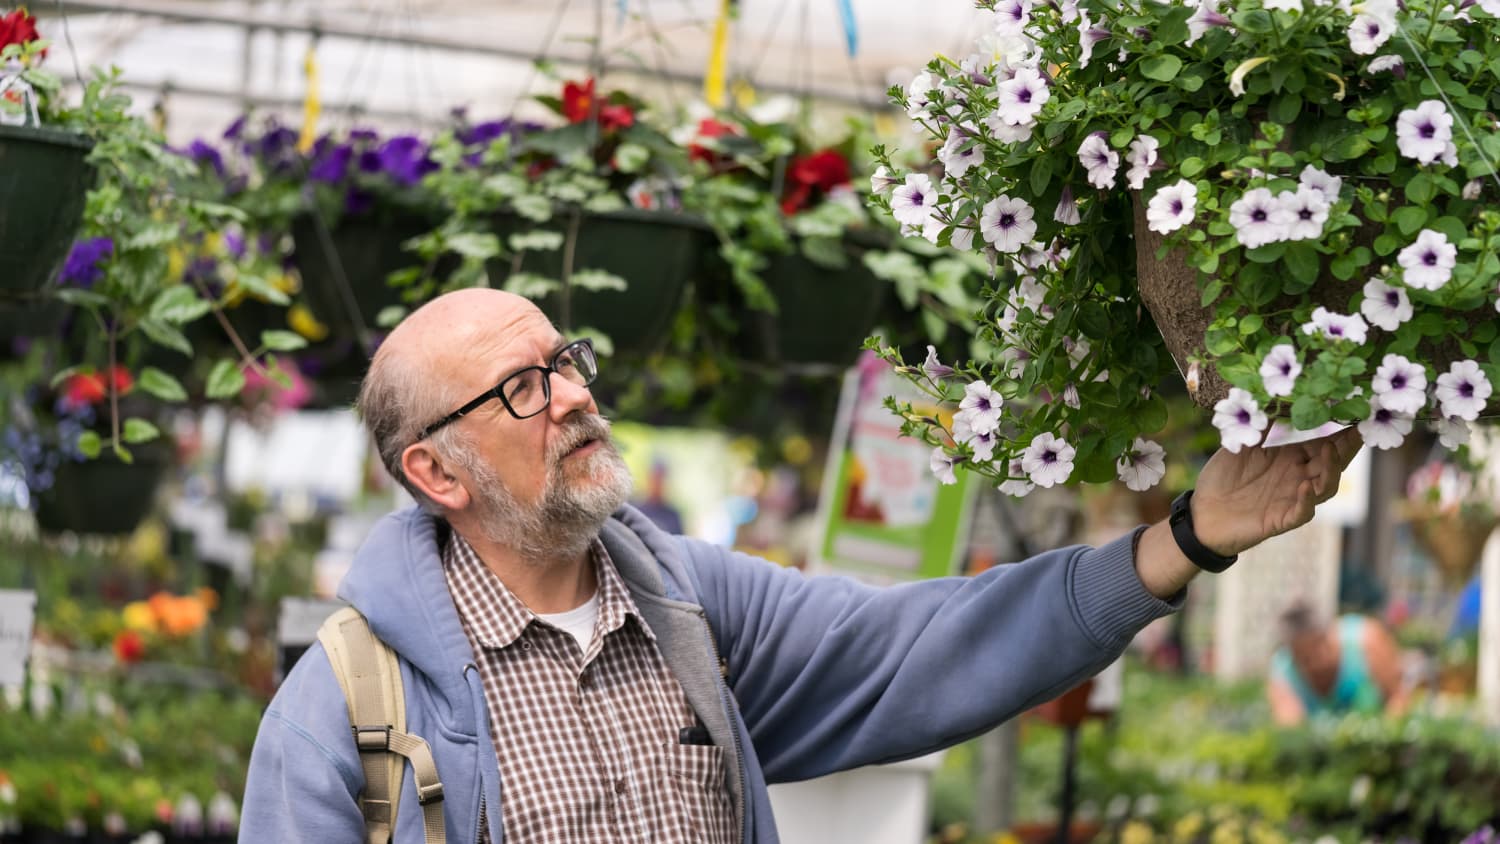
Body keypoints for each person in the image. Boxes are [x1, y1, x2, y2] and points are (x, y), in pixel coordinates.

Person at [240, 288, 1362, 843]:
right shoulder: (341, 711)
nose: (576, 394)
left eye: (566, 361)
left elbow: (920, 648)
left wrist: (1189, 536)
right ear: (435, 472)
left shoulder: (684, 607)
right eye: (522, 389)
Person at [1266, 601, 1410, 726]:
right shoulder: (1283, 670)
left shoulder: (1366, 640)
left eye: (1321, 646)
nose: (1317, 662)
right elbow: (1291, 727)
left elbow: (1398, 696)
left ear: (1331, 632)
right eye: (1306, 659)